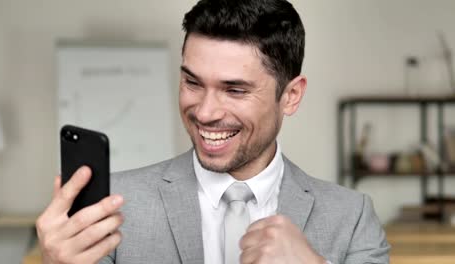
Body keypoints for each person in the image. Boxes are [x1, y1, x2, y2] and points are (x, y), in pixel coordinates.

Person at [36, 0, 390, 263]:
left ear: (291, 96)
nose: (204, 112)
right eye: (192, 82)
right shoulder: (111, 208)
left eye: (235, 90)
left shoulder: (352, 216)